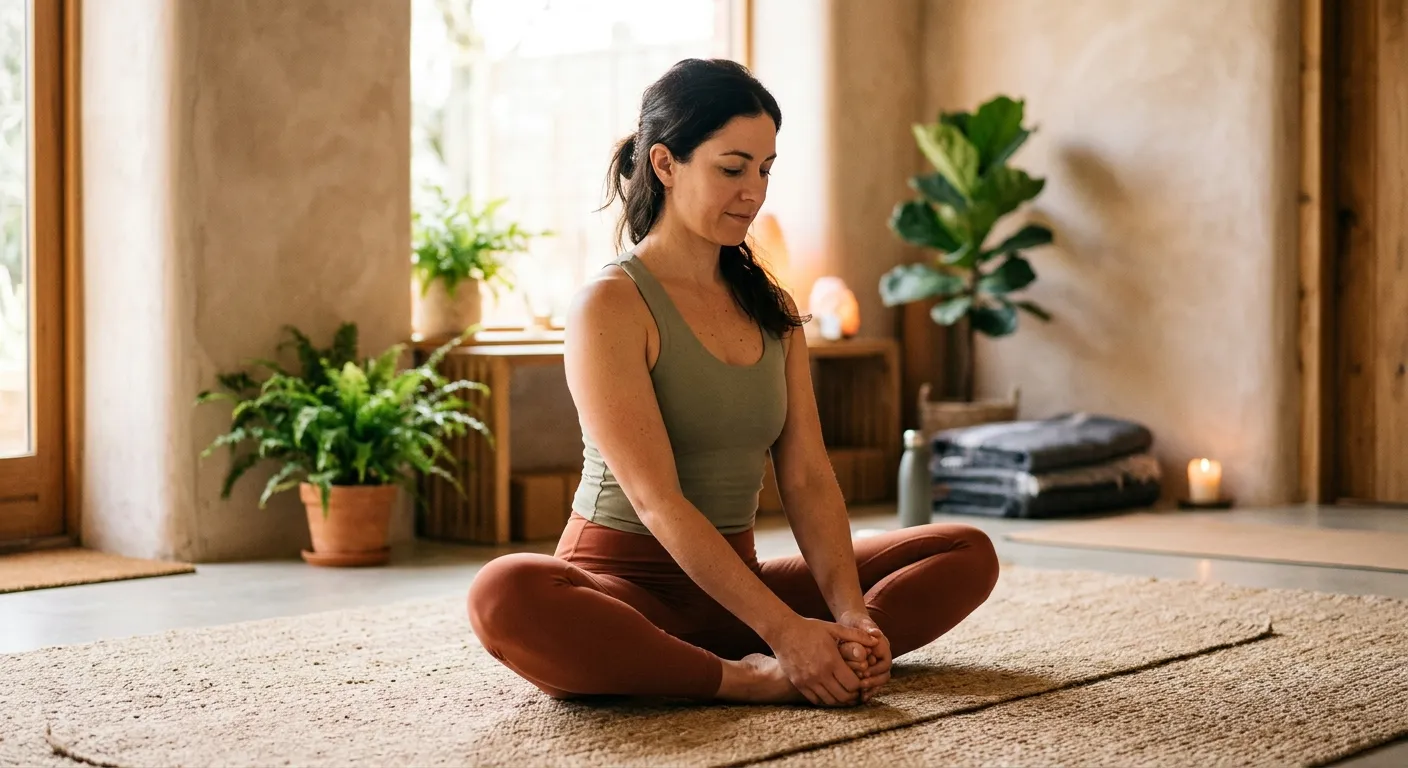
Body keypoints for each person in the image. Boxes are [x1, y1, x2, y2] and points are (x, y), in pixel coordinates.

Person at [468, 58, 999, 707]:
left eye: (765, 168)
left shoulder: (772, 310)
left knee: (963, 550)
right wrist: (785, 632)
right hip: (624, 590)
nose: (753, 190)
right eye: (732, 167)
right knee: (505, 593)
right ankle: (746, 677)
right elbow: (658, 500)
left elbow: (806, 476)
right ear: (664, 164)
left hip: (735, 592)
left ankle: (783, 658)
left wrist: (854, 617)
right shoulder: (610, 304)